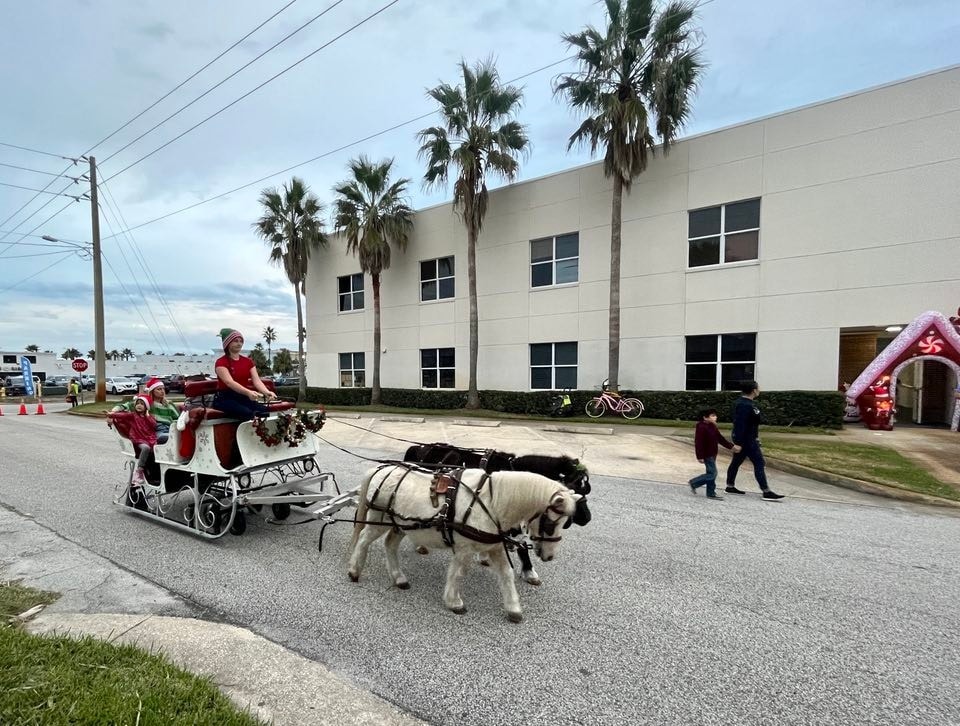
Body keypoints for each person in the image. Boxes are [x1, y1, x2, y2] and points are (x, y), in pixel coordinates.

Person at [725, 381, 784, 499]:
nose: (759, 390)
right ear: (754, 390)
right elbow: (740, 424)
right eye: (758, 388)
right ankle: (766, 491)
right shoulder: (744, 405)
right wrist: (738, 443)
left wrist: (756, 437)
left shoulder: (747, 404)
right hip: (746, 440)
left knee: (736, 462)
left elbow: (752, 424)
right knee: (759, 463)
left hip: (750, 438)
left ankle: (730, 486)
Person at [213, 328, 276, 420]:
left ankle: (261, 433)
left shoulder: (248, 362)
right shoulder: (221, 362)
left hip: (243, 397)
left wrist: (267, 392)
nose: (239, 344)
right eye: (235, 341)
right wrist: (248, 392)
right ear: (227, 343)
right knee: (246, 413)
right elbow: (229, 382)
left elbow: (257, 381)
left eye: (241, 341)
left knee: (264, 411)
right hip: (226, 399)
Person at [689, 408, 741, 499]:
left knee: (710, 472)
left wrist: (732, 447)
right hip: (706, 454)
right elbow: (699, 442)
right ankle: (694, 482)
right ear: (705, 417)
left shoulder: (712, 426)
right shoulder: (701, 427)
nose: (715, 417)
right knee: (713, 473)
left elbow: (720, 439)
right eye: (713, 416)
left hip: (713, 453)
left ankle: (710, 493)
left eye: (715, 415)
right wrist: (700, 456)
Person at [109, 377, 178, 443]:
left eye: (163, 389)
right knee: (166, 437)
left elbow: (178, 418)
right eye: (159, 389)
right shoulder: (145, 403)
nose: (162, 391)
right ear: (152, 391)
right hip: (156, 430)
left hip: (172, 429)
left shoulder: (169, 404)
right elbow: (122, 406)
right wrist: (111, 414)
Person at [108, 395, 157, 485]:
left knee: (156, 449)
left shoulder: (148, 417)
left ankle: (154, 475)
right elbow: (122, 415)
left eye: (142, 404)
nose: (139, 405)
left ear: (146, 407)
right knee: (146, 448)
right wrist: (110, 414)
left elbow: (154, 425)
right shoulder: (133, 416)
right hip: (138, 439)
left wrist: (147, 416)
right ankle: (139, 471)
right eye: (137, 403)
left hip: (149, 439)